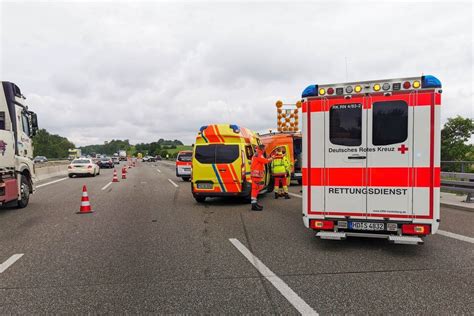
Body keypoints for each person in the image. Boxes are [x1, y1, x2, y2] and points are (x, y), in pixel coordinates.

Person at [250, 144, 272, 211]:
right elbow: (265, 161)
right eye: (264, 149)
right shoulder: (259, 154)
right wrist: (272, 158)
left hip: (256, 175)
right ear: (262, 149)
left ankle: (254, 203)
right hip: (256, 175)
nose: (265, 150)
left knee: (256, 189)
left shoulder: (257, 154)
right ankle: (253, 205)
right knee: (255, 189)